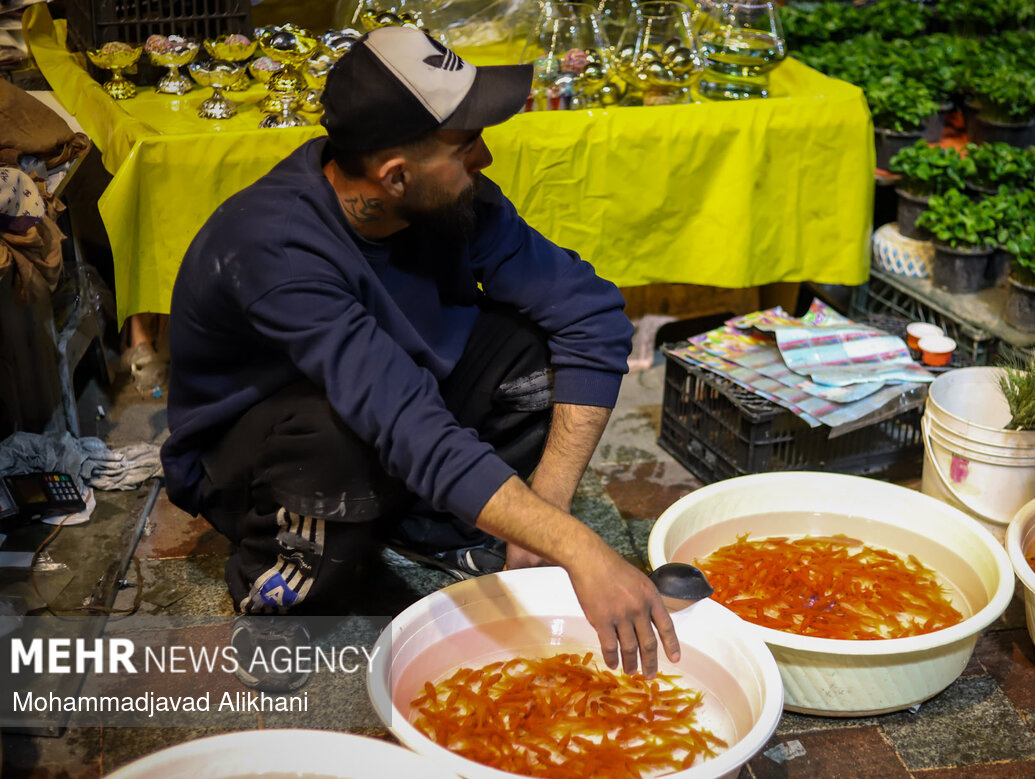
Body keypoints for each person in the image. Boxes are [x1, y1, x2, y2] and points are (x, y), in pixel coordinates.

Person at [160, 25, 680, 690]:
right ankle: (280, 595)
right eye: (465, 146)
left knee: (532, 351)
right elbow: (405, 424)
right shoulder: (276, 246)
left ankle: (427, 523)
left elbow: (590, 314)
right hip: (264, 456)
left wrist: (545, 514)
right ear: (396, 176)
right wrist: (581, 549)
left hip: (397, 402)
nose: (485, 156)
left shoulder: (453, 203)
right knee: (334, 434)